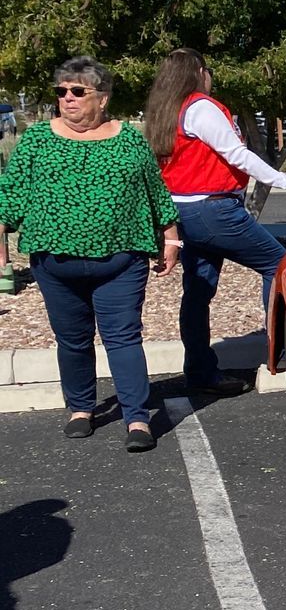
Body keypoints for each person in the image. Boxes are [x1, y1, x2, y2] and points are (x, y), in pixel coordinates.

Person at [0, 57, 181, 451]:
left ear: (102, 98)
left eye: (78, 91)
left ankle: (136, 417)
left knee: (124, 338)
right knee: (73, 340)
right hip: (54, 262)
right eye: (61, 91)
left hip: (121, 260)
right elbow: (10, 195)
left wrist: (171, 239)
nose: (67, 98)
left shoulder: (130, 139)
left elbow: (155, 192)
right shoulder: (36, 140)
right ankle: (81, 409)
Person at [145, 49, 286, 397]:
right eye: (207, 69)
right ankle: (281, 355)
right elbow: (237, 154)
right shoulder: (200, 107)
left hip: (182, 211)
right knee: (278, 264)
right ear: (197, 72)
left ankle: (200, 371)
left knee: (197, 292)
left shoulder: (165, 111)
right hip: (213, 210)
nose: (210, 76)